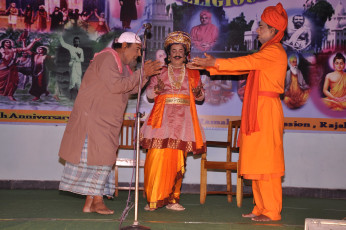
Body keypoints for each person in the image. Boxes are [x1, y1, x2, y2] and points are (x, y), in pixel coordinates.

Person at [189, 3, 288, 222]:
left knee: (267, 162)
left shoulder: (274, 51)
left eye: (262, 26)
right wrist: (212, 66)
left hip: (266, 110)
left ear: (274, 31)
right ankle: (260, 207)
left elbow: (246, 62)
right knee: (256, 159)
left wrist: (214, 63)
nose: (258, 29)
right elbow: (244, 66)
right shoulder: (267, 51)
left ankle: (272, 210)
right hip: (257, 109)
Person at [58, 32, 162, 215]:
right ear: (123, 46)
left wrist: (145, 76)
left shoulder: (122, 67)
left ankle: (91, 203)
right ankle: (96, 202)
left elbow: (130, 89)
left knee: (102, 160)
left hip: (106, 121)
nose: (138, 55)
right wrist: (142, 73)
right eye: (137, 50)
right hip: (94, 119)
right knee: (102, 161)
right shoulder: (107, 58)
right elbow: (116, 86)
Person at [140, 31, 206, 211]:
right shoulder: (159, 72)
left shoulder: (193, 73)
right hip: (162, 119)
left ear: (186, 54)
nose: (177, 53)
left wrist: (199, 93)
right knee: (156, 157)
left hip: (183, 120)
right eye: (174, 50)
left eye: (181, 51)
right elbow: (149, 95)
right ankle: (153, 200)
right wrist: (157, 89)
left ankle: (173, 200)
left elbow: (199, 97)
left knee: (178, 159)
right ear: (168, 54)